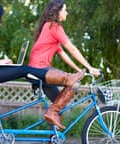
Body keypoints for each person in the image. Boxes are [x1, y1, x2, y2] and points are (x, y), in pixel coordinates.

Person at [0, 2, 86, 111]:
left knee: (22, 69)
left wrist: (0, 62)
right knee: (23, 70)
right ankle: (66, 78)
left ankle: (65, 79)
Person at [28, 0, 100, 129]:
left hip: (38, 70)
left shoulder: (48, 27)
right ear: (58, 11)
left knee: (58, 104)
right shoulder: (54, 27)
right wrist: (90, 68)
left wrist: (80, 70)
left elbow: (64, 55)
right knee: (75, 83)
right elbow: (72, 49)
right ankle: (52, 112)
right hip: (41, 70)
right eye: (65, 10)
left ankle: (53, 138)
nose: (66, 12)